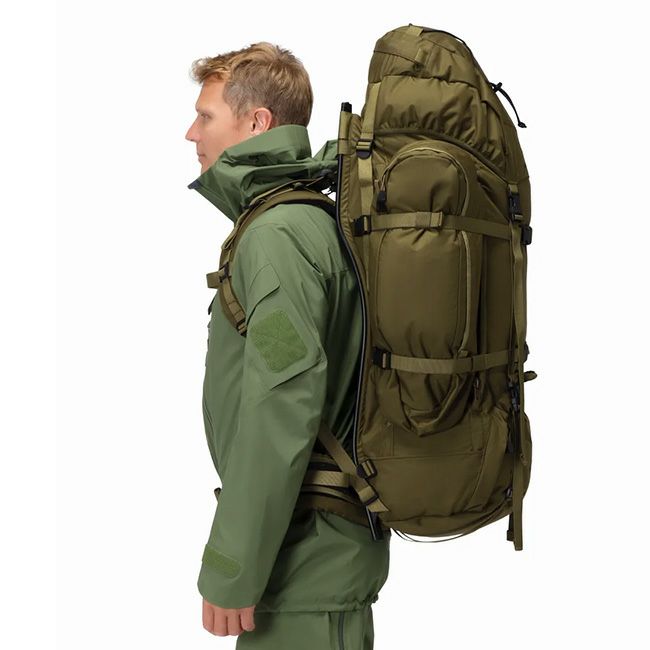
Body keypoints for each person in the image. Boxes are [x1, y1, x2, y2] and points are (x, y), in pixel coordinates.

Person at [184, 42, 391, 649]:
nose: (191, 133)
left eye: (205, 116)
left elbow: (282, 404)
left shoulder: (277, 235)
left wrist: (233, 566)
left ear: (257, 123)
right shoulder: (305, 220)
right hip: (310, 561)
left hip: (304, 566)